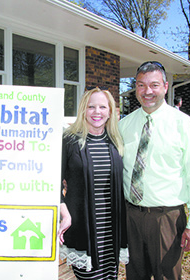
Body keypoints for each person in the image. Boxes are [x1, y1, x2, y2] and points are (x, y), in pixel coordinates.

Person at [119, 61, 190, 280]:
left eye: (154, 85)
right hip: (131, 216)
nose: (147, 91)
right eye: (141, 85)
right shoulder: (124, 125)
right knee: (135, 275)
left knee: (166, 276)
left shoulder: (183, 124)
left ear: (165, 87)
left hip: (166, 218)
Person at [58, 87, 128, 280]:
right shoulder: (69, 140)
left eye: (102, 107)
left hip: (111, 230)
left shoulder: (116, 141)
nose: (97, 112)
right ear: (83, 110)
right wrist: (64, 215)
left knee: (110, 276)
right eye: (91, 107)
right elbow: (53, 183)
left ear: (110, 112)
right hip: (84, 229)